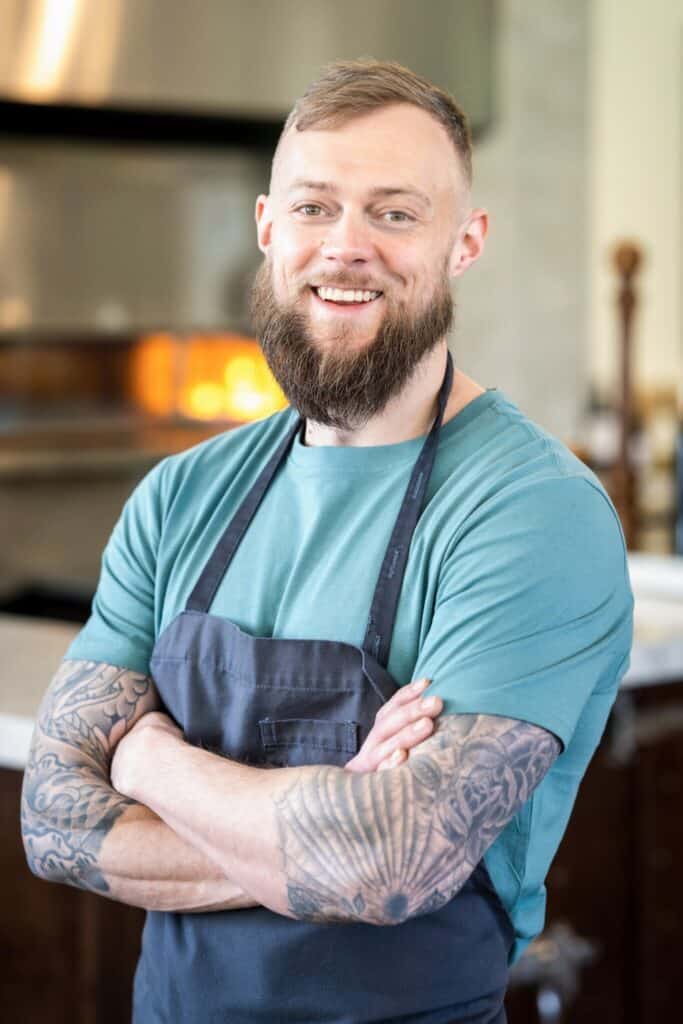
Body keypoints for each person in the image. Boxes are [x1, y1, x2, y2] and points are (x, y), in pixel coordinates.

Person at [21, 60, 633, 1024]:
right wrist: (325, 824)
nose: (345, 247)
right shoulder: (181, 495)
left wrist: (145, 765)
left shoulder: (529, 510)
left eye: (394, 213)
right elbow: (53, 818)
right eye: (315, 207)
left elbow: (391, 865)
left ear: (463, 242)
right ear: (269, 229)